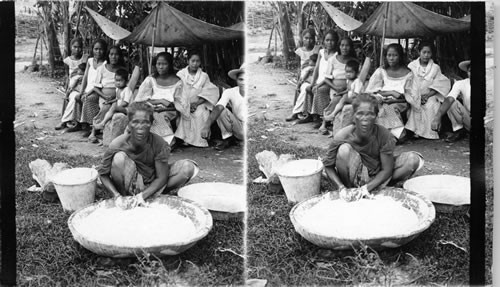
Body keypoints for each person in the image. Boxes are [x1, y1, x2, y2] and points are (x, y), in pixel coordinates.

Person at [323, 93, 424, 197]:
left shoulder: (384, 134)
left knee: (413, 160)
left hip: (379, 174)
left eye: (370, 114)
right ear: (353, 115)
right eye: (360, 114)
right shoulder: (343, 135)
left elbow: (386, 169)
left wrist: (365, 189)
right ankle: (350, 189)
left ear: (376, 115)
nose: (365, 119)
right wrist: (341, 188)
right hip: (355, 174)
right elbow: (328, 165)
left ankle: (375, 188)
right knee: (344, 150)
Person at [98, 102, 198, 201]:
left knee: (187, 168)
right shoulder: (117, 144)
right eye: (135, 122)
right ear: (128, 123)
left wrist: (142, 196)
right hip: (130, 183)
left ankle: (150, 195)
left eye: (145, 122)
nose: (140, 127)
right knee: (119, 158)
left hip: (154, 183)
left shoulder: (159, 143)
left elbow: (161, 177)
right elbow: (103, 174)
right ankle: (125, 197)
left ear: (152, 123)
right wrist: (116, 196)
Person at [135, 52, 187, 145]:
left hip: (170, 110)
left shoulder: (177, 82)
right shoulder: (151, 79)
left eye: (164, 64)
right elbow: (141, 99)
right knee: (143, 115)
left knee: (158, 116)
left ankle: (168, 142)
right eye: (158, 64)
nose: (161, 67)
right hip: (152, 107)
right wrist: (160, 101)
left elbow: (182, 105)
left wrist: (165, 108)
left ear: (170, 65)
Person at [365, 43, 414, 142]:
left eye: (395, 55)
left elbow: (410, 95)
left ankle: (400, 135)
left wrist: (394, 97)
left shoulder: (408, 73)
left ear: (400, 57)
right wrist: (389, 93)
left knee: (387, 109)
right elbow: (373, 89)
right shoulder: (381, 71)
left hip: (401, 102)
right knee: (371, 106)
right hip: (383, 99)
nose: (391, 58)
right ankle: (375, 135)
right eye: (389, 55)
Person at [406, 42, 451, 140]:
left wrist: (427, 95)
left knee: (432, 104)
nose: (426, 55)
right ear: (419, 52)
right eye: (424, 52)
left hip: (430, 95)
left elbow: (440, 84)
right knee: (416, 105)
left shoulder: (435, 68)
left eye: (429, 53)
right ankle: (416, 132)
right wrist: (417, 97)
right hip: (414, 95)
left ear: (432, 54)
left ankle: (431, 132)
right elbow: (409, 83)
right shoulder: (412, 66)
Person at [174, 51, 220, 147]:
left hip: (199, 102)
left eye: (197, 61)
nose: (195, 64)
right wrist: (186, 104)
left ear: (200, 62)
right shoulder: (180, 74)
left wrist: (196, 103)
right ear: (188, 61)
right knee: (185, 112)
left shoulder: (204, 76)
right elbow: (177, 91)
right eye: (192, 61)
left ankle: (200, 140)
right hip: (183, 102)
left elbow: (209, 92)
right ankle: (185, 140)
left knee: (202, 112)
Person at [85, 46, 127, 143]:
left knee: (113, 106)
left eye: (116, 54)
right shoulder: (102, 68)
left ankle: (102, 129)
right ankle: (93, 132)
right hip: (104, 97)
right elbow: (95, 87)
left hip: (118, 97)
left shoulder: (122, 70)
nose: (113, 57)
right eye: (111, 54)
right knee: (106, 107)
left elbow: (126, 84)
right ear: (108, 56)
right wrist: (104, 97)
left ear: (120, 56)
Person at [298, 30, 340, 126]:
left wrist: (317, 85)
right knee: (309, 88)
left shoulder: (336, 55)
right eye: (327, 40)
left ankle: (321, 117)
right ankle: (309, 114)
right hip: (319, 80)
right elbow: (316, 69)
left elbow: (330, 75)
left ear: (336, 41)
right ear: (324, 41)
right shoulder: (321, 52)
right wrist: (313, 83)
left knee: (319, 90)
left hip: (329, 82)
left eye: (332, 40)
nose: (329, 42)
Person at [317, 37, 358, 134]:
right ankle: (324, 123)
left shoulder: (354, 61)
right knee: (336, 99)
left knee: (344, 98)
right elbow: (326, 78)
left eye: (347, 45)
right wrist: (336, 88)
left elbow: (358, 76)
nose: (344, 48)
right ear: (339, 47)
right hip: (335, 88)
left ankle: (335, 123)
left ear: (351, 47)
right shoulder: (333, 60)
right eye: (342, 45)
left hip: (349, 89)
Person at [200, 64, 245, 150]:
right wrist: (207, 126)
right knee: (220, 110)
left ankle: (241, 141)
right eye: (241, 79)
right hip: (239, 128)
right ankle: (228, 139)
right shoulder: (230, 92)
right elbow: (219, 107)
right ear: (236, 80)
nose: (244, 82)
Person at [67, 39, 108, 133]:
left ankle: (91, 127)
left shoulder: (105, 64)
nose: (98, 51)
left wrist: (87, 93)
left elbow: (100, 83)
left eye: (101, 49)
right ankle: (78, 123)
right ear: (92, 49)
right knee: (78, 97)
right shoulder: (90, 61)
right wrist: (81, 92)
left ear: (105, 50)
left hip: (98, 91)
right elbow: (85, 77)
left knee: (88, 99)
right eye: (96, 49)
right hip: (88, 89)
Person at [431, 60, 471, 142]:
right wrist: (437, 116)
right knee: (451, 103)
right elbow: (450, 99)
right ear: (467, 72)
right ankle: (459, 130)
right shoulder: (461, 83)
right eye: (470, 71)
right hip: (469, 120)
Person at [286, 28, 320, 121]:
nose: (309, 40)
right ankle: (296, 112)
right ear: (302, 38)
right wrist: (299, 81)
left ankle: (300, 112)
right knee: (305, 88)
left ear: (314, 38)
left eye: (311, 38)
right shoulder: (299, 51)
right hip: (304, 77)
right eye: (306, 38)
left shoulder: (318, 49)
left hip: (316, 75)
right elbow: (299, 68)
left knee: (310, 87)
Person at [324, 59, 365, 136]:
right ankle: (332, 119)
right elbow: (348, 90)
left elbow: (356, 94)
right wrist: (340, 93)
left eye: (351, 72)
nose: (348, 74)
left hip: (358, 99)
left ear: (356, 73)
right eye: (347, 72)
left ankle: (333, 114)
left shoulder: (357, 82)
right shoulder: (348, 80)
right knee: (339, 98)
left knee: (343, 99)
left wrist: (346, 98)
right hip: (351, 98)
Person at [93, 68, 133, 145]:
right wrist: (109, 102)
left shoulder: (127, 90)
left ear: (126, 81)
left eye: (120, 81)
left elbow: (125, 102)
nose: (118, 83)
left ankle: (102, 123)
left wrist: (116, 106)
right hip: (121, 108)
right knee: (108, 106)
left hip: (128, 109)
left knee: (113, 107)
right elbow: (117, 99)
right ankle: (105, 136)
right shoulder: (118, 89)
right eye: (116, 80)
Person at [56, 38, 88, 130]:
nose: (77, 49)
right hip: (73, 86)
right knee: (74, 97)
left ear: (82, 48)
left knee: (79, 96)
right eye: (75, 47)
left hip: (84, 85)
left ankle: (67, 121)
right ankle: (64, 121)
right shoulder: (67, 61)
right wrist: (67, 90)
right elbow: (67, 76)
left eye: (79, 47)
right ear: (71, 47)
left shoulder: (85, 58)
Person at [286, 54, 318, 122]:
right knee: (305, 90)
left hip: (316, 84)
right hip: (306, 83)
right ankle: (295, 112)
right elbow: (302, 79)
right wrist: (299, 85)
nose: (310, 62)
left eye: (312, 61)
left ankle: (307, 113)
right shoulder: (307, 68)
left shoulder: (319, 67)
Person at [56, 62, 86, 130]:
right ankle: (64, 120)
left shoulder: (86, 76)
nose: (79, 71)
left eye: (81, 70)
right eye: (79, 70)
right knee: (73, 99)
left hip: (84, 92)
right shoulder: (76, 77)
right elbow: (70, 87)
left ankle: (78, 122)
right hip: (75, 91)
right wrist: (67, 94)